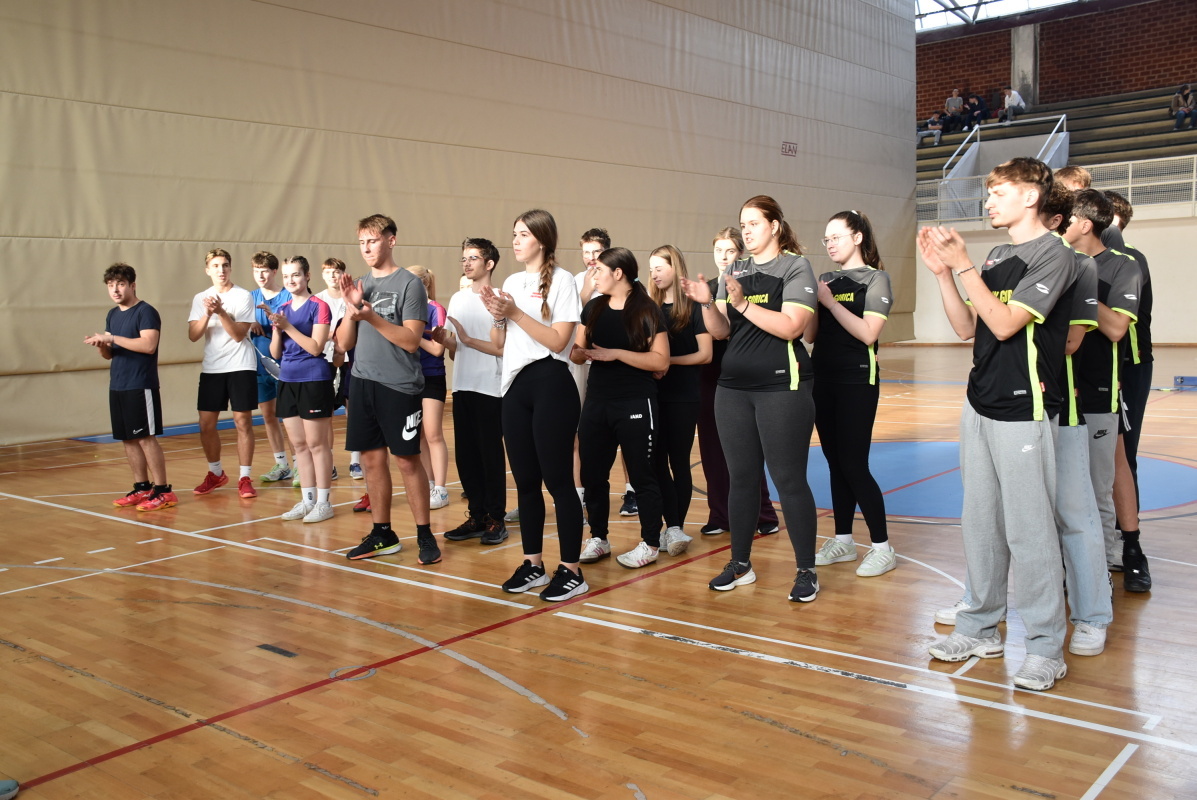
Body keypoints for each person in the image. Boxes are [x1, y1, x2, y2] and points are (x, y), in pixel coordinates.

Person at [919, 157, 1076, 691]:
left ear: (1031, 196)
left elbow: (1007, 323)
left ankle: (1045, 648)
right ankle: (980, 627)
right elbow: (969, 326)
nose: (988, 201)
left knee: (1030, 533)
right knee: (981, 523)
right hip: (979, 404)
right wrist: (944, 275)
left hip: (1023, 408)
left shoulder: (1055, 255)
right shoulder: (998, 255)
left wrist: (963, 265)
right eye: (988, 193)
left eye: (999, 192)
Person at [681, 196, 820, 601]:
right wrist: (707, 303)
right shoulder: (735, 269)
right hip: (733, 389)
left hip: (782, 388)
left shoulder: (795, 267)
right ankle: (740, 563)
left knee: (789, 479)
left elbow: (792, 327)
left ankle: (806, 570)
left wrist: (742, 303)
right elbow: (721, 331)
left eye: (754, 223)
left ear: (774, 226)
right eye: (742, 224)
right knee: (740, 479)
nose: (746, 230)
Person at [483, 208, 586, 601]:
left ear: (542, 240)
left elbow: (558, 341)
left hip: (551, 383)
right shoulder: (511, 281)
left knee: (558, 482)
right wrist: (498, 316)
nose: (516, 240)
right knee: (526, 482)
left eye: (523, 234)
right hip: (515, 387)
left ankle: (572, 570)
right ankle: (533, 564)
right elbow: (500, 342)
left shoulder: (563, 281)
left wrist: (514, 312)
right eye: (514, 233)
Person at [336, 214, 440, 565]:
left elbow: (411, 341)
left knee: (407, 461)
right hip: (362, 381)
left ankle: (425, 534)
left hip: (399, 385)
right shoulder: (359, 284)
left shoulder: (410, 285)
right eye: (361, 242)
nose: (366, 248)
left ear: (390, 241)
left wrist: (370, 316)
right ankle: (383, 533)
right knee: (370, 459)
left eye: (373, 240)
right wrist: (351, 310)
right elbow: (343, 344)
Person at [1038, 184, 1113, 656]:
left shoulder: (1080, 266)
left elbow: (1069, 342)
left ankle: (1091, 615)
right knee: (1006, 517)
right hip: (1011, 410)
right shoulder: (1003, 258)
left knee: (1076, 513)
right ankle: (983, 606)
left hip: (1060, 407)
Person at [804, 211, 895, 577]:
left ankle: (882, 547)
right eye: (826, 239)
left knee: (855, 464)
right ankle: (843, 540)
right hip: (822, 379)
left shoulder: (876, 278)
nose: (830, 244)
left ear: (857, 237)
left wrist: (829, 303)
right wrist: (811, 300)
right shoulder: (825, 280)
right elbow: (810, 335)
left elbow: (869, 333)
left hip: (857, 380)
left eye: (836, 237)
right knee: (834, 462)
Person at [1064, 190, 1145, 592]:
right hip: (1059, 391)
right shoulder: (1058, 261)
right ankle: (1076, 568)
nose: (1059, 224)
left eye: (1067, 218)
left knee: (1098, 488)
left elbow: (1115, 329)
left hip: (1098, 392)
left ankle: (1101, 578)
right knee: (1065, 491)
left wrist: (1083, 285)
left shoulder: (1123, 266)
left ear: (1084, 224)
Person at [572, 248, 670, 568]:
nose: (594, 275)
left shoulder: (646, 309)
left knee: (642, 475)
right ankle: (598, 538)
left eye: (599, 270)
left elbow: (661, 361)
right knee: (592, 474)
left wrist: (616, 354)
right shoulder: (594, 307)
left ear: (618, 273)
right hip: (597, 402)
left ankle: (650, 543)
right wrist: (582, 352)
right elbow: (575, 353)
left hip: (635, 401)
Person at [696, 228, 780, 538]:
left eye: (730, 251)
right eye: (718, 250)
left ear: (741, 255)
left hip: (744, 374)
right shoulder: (705, 290)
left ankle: (763, 511)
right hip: (710, 375)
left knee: (748, 448)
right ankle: (720, 515)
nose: (723, 257)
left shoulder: (752, 286)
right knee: (712, 449)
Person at [85, 263, 176, 512]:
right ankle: (142, 487)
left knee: (146, 438)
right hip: (118, 384)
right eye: (111, 285)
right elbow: (110, 354)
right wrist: (102, 345)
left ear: (132, 285)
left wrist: (112, 338)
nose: (115, 290)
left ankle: (163, 491)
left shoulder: (146, 312)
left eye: (121, 284)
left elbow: (148, 345)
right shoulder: (113, 314)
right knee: (128, 439)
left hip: (140, 384)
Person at [436, 238, 508, 545]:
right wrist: (447, 341)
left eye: (473, 258)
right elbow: (457, 350)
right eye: (464, 258)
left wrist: (464, 340)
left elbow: (502, 348)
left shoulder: (502, 298)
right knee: (466, 456)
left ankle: (496, 519)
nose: (466, 263)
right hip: (463, 385)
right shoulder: (457, 298)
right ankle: (477, 515)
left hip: (491, 387)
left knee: (490, 456)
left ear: (489, 264)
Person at [1101, 190, 1153, 590]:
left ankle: (1128, 543)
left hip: (1129, 367)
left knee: (1123, 454)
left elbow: (1119, 327)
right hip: (1090, 369)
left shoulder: (1128, 259)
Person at [648, 244, 711, 553]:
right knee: (655, 463)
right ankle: (669, 525)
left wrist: (667, 361)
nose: (654, 274)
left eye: (659, 268)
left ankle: (676, 527)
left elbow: (705, 354)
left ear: (675, 267)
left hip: (684, 396)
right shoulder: (649, 307)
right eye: (650, 269)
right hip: (653, 395)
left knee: (679, 462)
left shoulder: (693, 306)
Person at [266, 256, 336, 523]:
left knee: (317, 444)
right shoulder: (282, 308)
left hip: (314, 380)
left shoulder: (319, 306)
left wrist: (288, 327)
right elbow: (276, 353)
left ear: (307, 276)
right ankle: (307, 501)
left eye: (295, 275)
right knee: (298, 445)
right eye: (286, 276)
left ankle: (323, 503)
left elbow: (316, 347)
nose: (290, 280)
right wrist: (277, 329)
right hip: (287, 380)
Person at [188, 248, 259, 499]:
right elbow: (193, 335)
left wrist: (220, 312)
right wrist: (207, 313)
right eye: (216, 266)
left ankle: (244, 477)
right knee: (206, 425)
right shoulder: (200, 298)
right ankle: (215, 473)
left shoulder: (243, 296)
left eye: (225, 265)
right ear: (208, 270)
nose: (221, 270)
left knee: (243, 422)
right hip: (212, 368)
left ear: (230, 268)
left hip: (241, 365)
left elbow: (239, 335)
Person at [406, 264, 451, 511]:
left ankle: (441, 490)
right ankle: (429, 484)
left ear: (423, 284)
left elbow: (437, 349)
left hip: (432, 377)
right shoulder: (406, 310)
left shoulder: (435, 309)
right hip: (409, 378)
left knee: (433, 434)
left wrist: (412, 336)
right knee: (420, 435)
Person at [248, 251, 294, 485]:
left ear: (274, 272)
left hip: (286, 365)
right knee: (269, 416)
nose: (260, 275)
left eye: (265, 270)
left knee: (291, 417)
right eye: (256, 270)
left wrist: (273, 319)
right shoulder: (249, 298)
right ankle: (282, 465)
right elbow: (236, 322)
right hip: (259, 366)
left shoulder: (288, 295)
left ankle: (300, 465)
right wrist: (250, 322)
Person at [315, 257, 357, 481]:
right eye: (328, 271)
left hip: (351, 360)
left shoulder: (351, 298)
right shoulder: (317, 300)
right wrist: (331, 334)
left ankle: (355, 461)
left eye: (336, 271)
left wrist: (337, 334)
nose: (333, 275)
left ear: (343, 274)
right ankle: (329, 463)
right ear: (322, 275)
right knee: (327, 414)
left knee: (354, 412)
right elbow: (315, 333)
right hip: (325, 359)